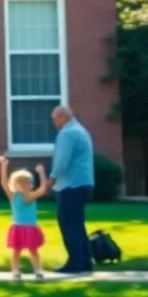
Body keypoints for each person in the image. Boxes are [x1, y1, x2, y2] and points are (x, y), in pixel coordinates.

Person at [49, 105, 96, 274]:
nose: (54, 123)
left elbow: (62, 161)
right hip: (84, 183)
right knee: (78, 223)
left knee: (68, 224)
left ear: (62, 117)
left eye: (54, 119)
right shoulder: (81, 130)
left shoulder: (67, 134)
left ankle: (75, 262)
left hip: (70, 185)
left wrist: (51, 179)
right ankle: (85, 259)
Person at [0, 158, 49, 280]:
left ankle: (37, 270)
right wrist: (4, 167)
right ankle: (15, 270)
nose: (25, 186)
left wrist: (41, 172)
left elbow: (42, 189)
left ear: (31, 185)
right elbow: (4, 183)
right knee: (16, 251)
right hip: (18, 227)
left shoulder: (31, 196)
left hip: (30, 227)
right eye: (21, 183)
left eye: (28, 183)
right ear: (15, 185)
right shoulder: (13, 196)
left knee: (33, 250)